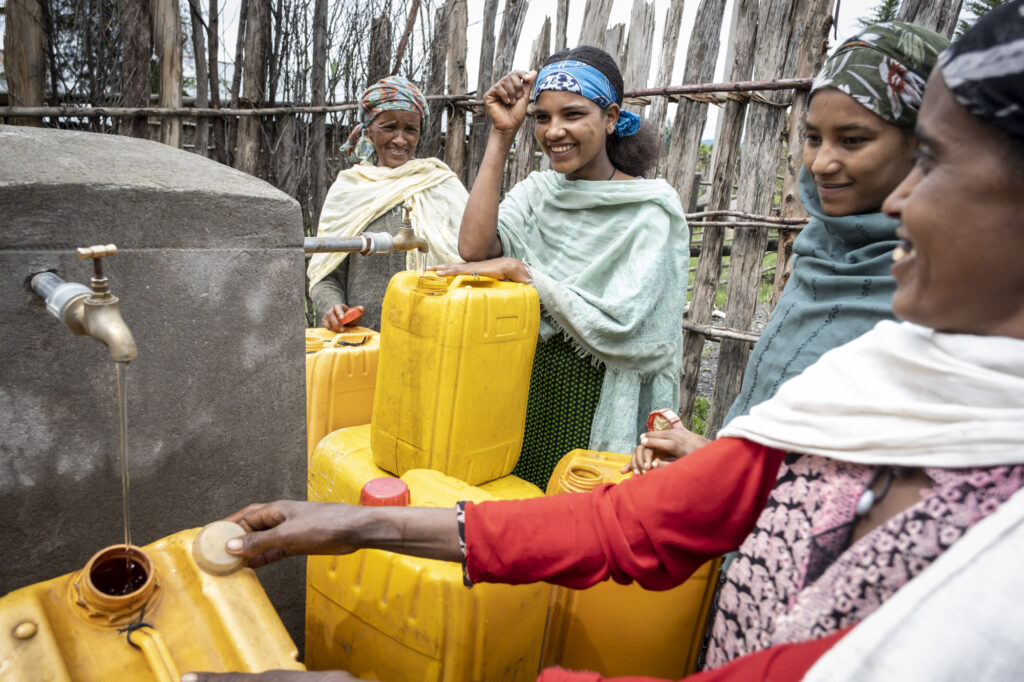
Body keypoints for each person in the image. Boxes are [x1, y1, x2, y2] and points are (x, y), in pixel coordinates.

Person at [182, 4, 1024, 679]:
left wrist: (537, 284)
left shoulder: (993, 557)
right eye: (813, 138)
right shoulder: (873, 383)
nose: (892, 199)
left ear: (612, 118)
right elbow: (625, 525)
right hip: (534, 395)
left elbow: (634, 341)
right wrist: (360, 526)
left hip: (598, 391)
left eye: (931, 161)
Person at [628, 21, 949, 475]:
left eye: (853, 140)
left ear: (925, 144)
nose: (822, 162)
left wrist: (722, 466)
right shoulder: (822, 248)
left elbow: (883, 476)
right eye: (813, 137)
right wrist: (718, 454)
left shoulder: (952, 288)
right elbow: (776, 402)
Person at [430, 46, 689, 488]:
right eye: (542, 117)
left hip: (596, 396)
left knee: (576, 519)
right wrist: (500, 136)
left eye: (572, 114)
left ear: (610, 118)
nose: (554, 131)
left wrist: (527, 276)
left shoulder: (649, 209)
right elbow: (474, 249)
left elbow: (633, 330)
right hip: (520, 388)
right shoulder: (539, 193)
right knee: (515, 508)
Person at [307, 75, 466, 332]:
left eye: (410, 130)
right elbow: (327, 274)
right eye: (389, 127)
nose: (400, 140)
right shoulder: (351, 190)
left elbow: (471, 260)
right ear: (370, 128)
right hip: (366, 341)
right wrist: (332, 308)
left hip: (435, 336)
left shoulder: (440, 184)